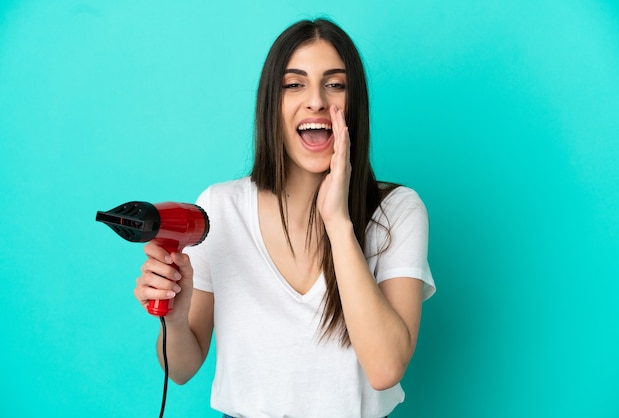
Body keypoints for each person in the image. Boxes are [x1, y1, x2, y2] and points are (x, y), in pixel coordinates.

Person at [134, 18, 435, 418]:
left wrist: (339, 223)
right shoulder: (219, 208)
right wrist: (174, 316)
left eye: (335, 84)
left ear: (355, 103)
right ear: (270, 104)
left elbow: (385, 368)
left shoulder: (397, 210)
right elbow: (184, 368)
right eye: (294, 84)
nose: (316, 101)